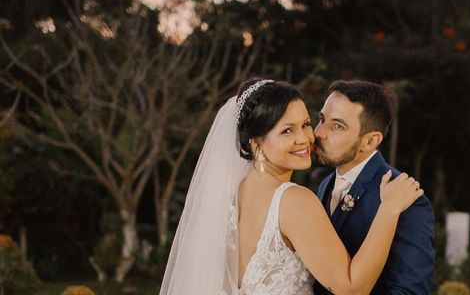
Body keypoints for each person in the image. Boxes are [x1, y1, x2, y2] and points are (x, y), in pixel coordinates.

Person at [160, 78, 423, 295]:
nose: (306, 138)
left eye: (306, 124)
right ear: (256, 141)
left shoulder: (231, 193)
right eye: (287, 131)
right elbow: (351, 288)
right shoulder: (293, 200)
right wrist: (388, 209)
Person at [314, 80, 435, 294]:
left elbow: (409, 291)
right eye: (321, 119)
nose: (319, 132)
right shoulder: (325, 185)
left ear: (370, 141)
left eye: (337, 126)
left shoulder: (407, 199)